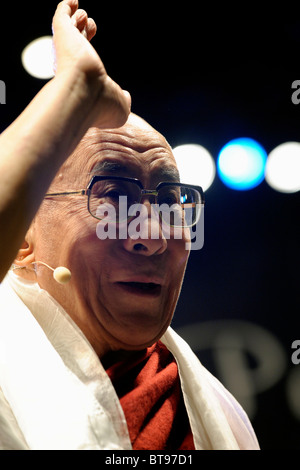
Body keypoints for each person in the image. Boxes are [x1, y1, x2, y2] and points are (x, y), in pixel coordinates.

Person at [0, 0, 259, 450]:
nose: (154, 237)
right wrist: (73, 94)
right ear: (23, 239)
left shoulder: (220, 416)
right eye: (113, 197)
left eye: (169, 200)